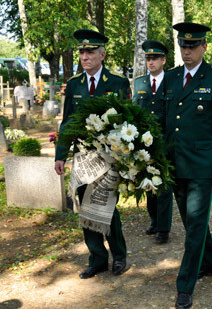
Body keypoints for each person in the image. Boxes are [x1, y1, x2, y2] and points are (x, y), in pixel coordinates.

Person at [163, 22, 212, 309]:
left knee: (194, 225)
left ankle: (185, 284)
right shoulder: (170, 78)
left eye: (193, 46)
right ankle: (211, 263)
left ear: (204, 47)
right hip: (175, 162)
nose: (187, 50)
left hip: (203, 165)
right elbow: (165, 122)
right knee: (191, 220)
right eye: (183, 45)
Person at [54, 29, 130, 279]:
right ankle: (97, 258)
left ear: (102, 54)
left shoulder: (118, 83)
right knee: (85, 208)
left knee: (107, 207)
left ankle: (119, 256)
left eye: (90, 52)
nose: (85, 57)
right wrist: (60, 155)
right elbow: (67, 122)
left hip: (109, 157)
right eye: (82, 52)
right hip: (83, 158)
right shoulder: (74, 84)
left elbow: (128, 121)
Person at [133, 39, 173, 244]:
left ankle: (164, 229)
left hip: (166, 141)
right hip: (145, 144)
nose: (151, 62)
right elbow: (134, 111)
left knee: (164, 185)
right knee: (148, 184)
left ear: (163, 60)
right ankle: (155, 221)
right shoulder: (139, 82)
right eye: (148, 58)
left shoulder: (172, 80)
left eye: (155, 58)